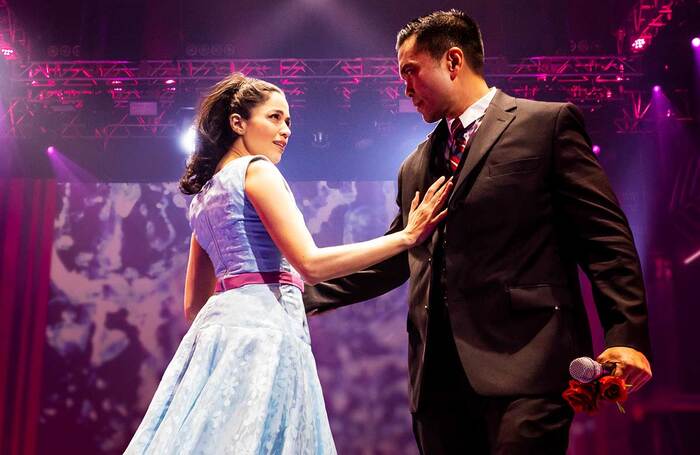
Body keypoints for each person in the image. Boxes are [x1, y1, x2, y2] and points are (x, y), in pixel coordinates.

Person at [303, 9, 653, 454]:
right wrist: (300, 294)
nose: (404, 88)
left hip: (529, 366)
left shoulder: (545, 125)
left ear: (452, 61)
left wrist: (626, 338)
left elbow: (605, 239)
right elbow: (396, 259)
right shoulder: (415, 164)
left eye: (411, 72)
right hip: (438, 383)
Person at [123, 73, 451, 454]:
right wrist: (407, 236)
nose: (286, 130)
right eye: (275, 118)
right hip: (265, 334)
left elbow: (193, 307)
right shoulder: (258, 170)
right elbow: (310, 264)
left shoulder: (204, 198)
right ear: (238, 123)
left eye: (289, 121)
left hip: (213, 341)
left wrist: (226, 334)